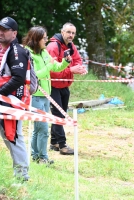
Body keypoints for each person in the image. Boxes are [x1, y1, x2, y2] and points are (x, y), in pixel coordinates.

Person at [22, 26, 72, 163]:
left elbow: (56, 67)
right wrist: (49, 66)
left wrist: (65, 62)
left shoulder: (44, 52)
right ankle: (42, 157)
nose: (46, 40)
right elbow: (35, 76)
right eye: (44, 38)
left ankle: (36, 155)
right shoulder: (28, 54)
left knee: (39, 129)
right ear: (36, 39)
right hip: (35, 96)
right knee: (43, 128)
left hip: (45, 96)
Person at [46, 22, 87, 155]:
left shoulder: (71, 46)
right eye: (68, 32)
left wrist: (80, 68)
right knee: (58, 115)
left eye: (73, 33)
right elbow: (52, 71)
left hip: (65, 85)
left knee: (61, 114)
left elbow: (77, 60)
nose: (71, 35)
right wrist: (71, 70)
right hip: (53, 86)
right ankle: (63, 146)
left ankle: (54, 142)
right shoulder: (53, 46)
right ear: (62, 32)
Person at [0, 16, 30, 181]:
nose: (0, 32)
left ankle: (22, 176)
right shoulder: (0, 49)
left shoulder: (17, 51)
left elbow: (18, 78)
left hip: (11, 101)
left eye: (5, 29)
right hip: (1, 100)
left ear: (14, 33)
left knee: (13, 137)